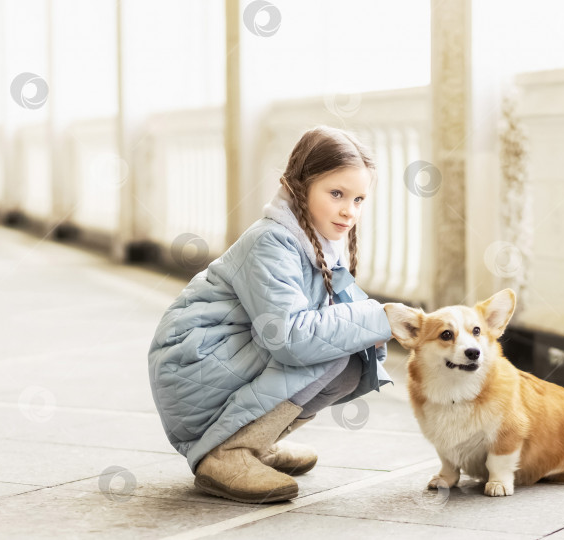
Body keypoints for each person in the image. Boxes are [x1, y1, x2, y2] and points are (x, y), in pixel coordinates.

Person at [147, 125, 392, 504]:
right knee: (324, 349)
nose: (349, 210)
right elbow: (291, 340)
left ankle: (257, 442)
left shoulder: (320, 241)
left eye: (359, 199)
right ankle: (227, 453)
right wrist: (380, 318)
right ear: (298, 186)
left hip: (225, 359)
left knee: (350, 363)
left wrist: (371, 330)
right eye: (337, 193)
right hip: (193, 363)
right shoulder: (272, 241)